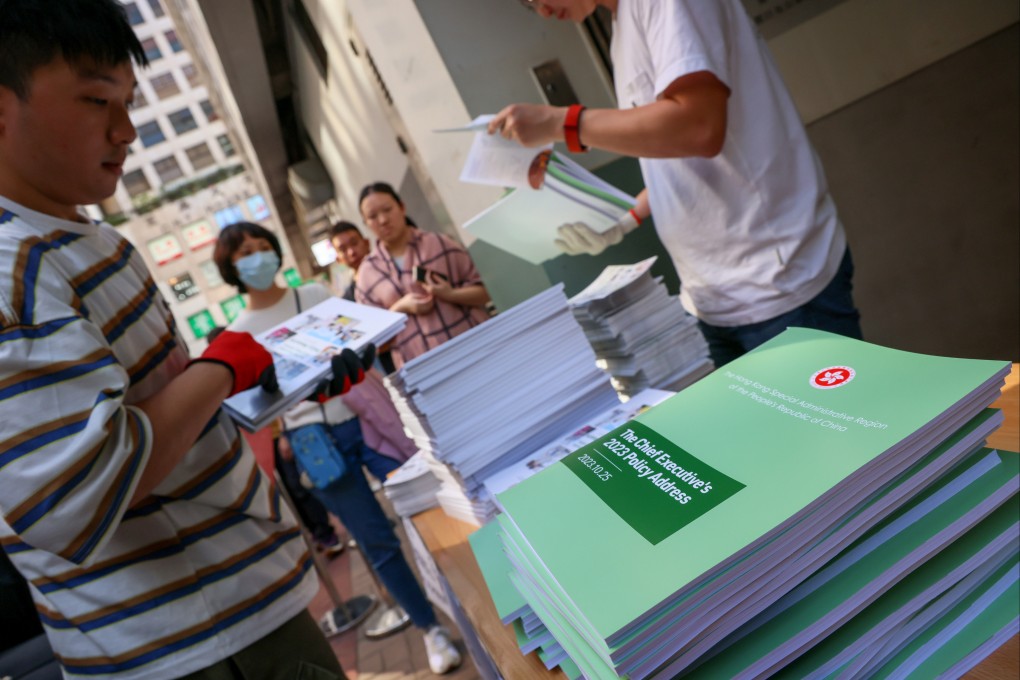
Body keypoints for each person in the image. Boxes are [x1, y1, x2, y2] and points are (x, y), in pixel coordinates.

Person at [0, 2, 363, 678]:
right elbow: (72, 497)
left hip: (236, 605)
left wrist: (274, 381)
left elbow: (158, 421)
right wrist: (221, 367)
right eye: (96, 100)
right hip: (192, 644)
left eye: (129, 102)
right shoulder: (10, 269)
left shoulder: (89, 239)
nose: (126, 130)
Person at [491, 0, 863, 367]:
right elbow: (677, 158)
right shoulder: (622, 27)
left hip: (777, 283)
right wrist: (625, 218)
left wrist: (563, 124)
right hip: (709, 297)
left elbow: (698, 127)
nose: (542, 11)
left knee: (834, 408)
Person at [213, 222, 462, 675]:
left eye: (264, 246)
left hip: (366, 418)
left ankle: (467, 601)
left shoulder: (312, 295)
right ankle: (430, 628)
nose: (258, 257)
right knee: (376, 540)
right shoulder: (239, 334)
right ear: (230, 267)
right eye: (245, 253)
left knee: (430, 508)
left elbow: (358, 338)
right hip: (314, 443)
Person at [355, 182, 492, 369]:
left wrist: (451, 294)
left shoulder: (439, 243)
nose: (383, 220)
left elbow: (486, 291)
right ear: (366, 224)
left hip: (476, 351)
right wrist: (400, 308)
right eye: (372, 216)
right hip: (423, 372)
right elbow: (373, 344)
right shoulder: (367, 275)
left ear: (401, 207)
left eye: (387, 209)